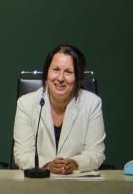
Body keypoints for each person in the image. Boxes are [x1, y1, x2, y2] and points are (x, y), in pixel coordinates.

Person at [12, 44, 105, 174]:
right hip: (37, 185)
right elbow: (22, 154)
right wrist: (48, 165)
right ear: (47, 73)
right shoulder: (25, 104)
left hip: (77, 185)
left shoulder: (92, 103)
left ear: (78, 77)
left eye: (68, 72)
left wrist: (74, 163)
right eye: (56, 69)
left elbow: (96, 154)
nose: (60, 78)